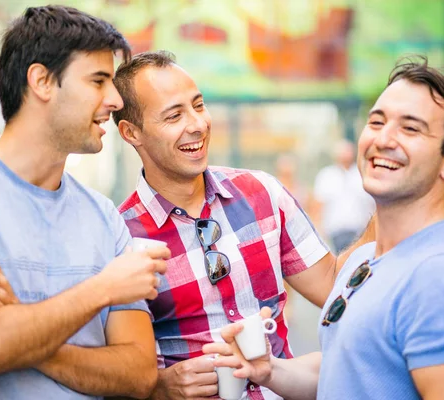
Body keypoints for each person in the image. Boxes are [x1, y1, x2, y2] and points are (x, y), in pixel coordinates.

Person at [203, 57, 444, 400]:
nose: (384, 139)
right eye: (377, 121)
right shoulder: (363, 258)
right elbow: (343, 368)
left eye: (411, 128)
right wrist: (269, 369)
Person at [0, 5, 170, 400]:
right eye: (98, 80)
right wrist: (102, 289)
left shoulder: (104, 217)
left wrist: (21, 331)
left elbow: (138, 374)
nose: (115, 99)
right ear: (42, 81)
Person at [111, 50, 374, 400]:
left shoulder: (261, 192)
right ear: (131, 133)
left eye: (199, 105)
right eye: (174, 115)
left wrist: (392, 204)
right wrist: (158, 387)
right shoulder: (119, 235)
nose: (197, 124)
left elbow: (331, 285)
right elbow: (111, 368)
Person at [312, 138, 375, 253]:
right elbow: (318, 206)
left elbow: (372, 204)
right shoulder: (327, 175)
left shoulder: (362, 174)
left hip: (359, 232)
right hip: (334, 232)